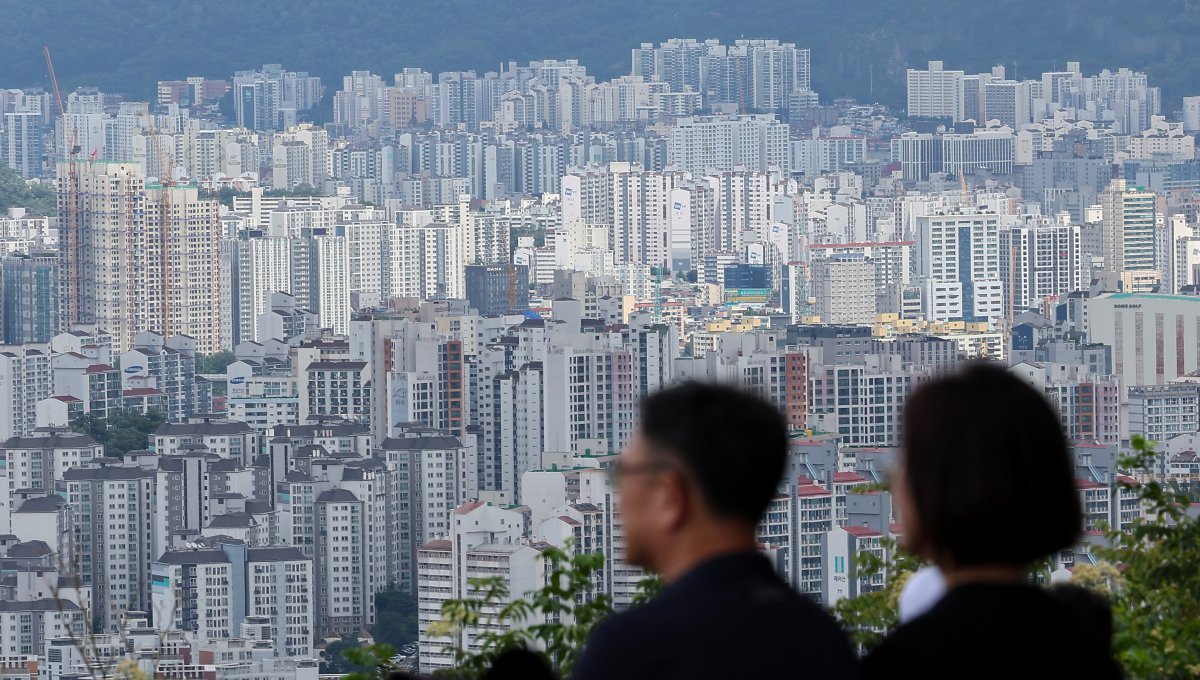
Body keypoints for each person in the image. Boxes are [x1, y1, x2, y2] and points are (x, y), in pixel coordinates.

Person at [572, 382, 859, 680]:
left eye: (623, 474)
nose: (618, 498)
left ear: (669, 496)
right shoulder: (822, 637)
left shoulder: (635, 649)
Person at [864, 363, 1122, 679]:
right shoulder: (1083, 648)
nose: (897, 479)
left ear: (942, 488)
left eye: (908, 461)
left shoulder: (903, 661)